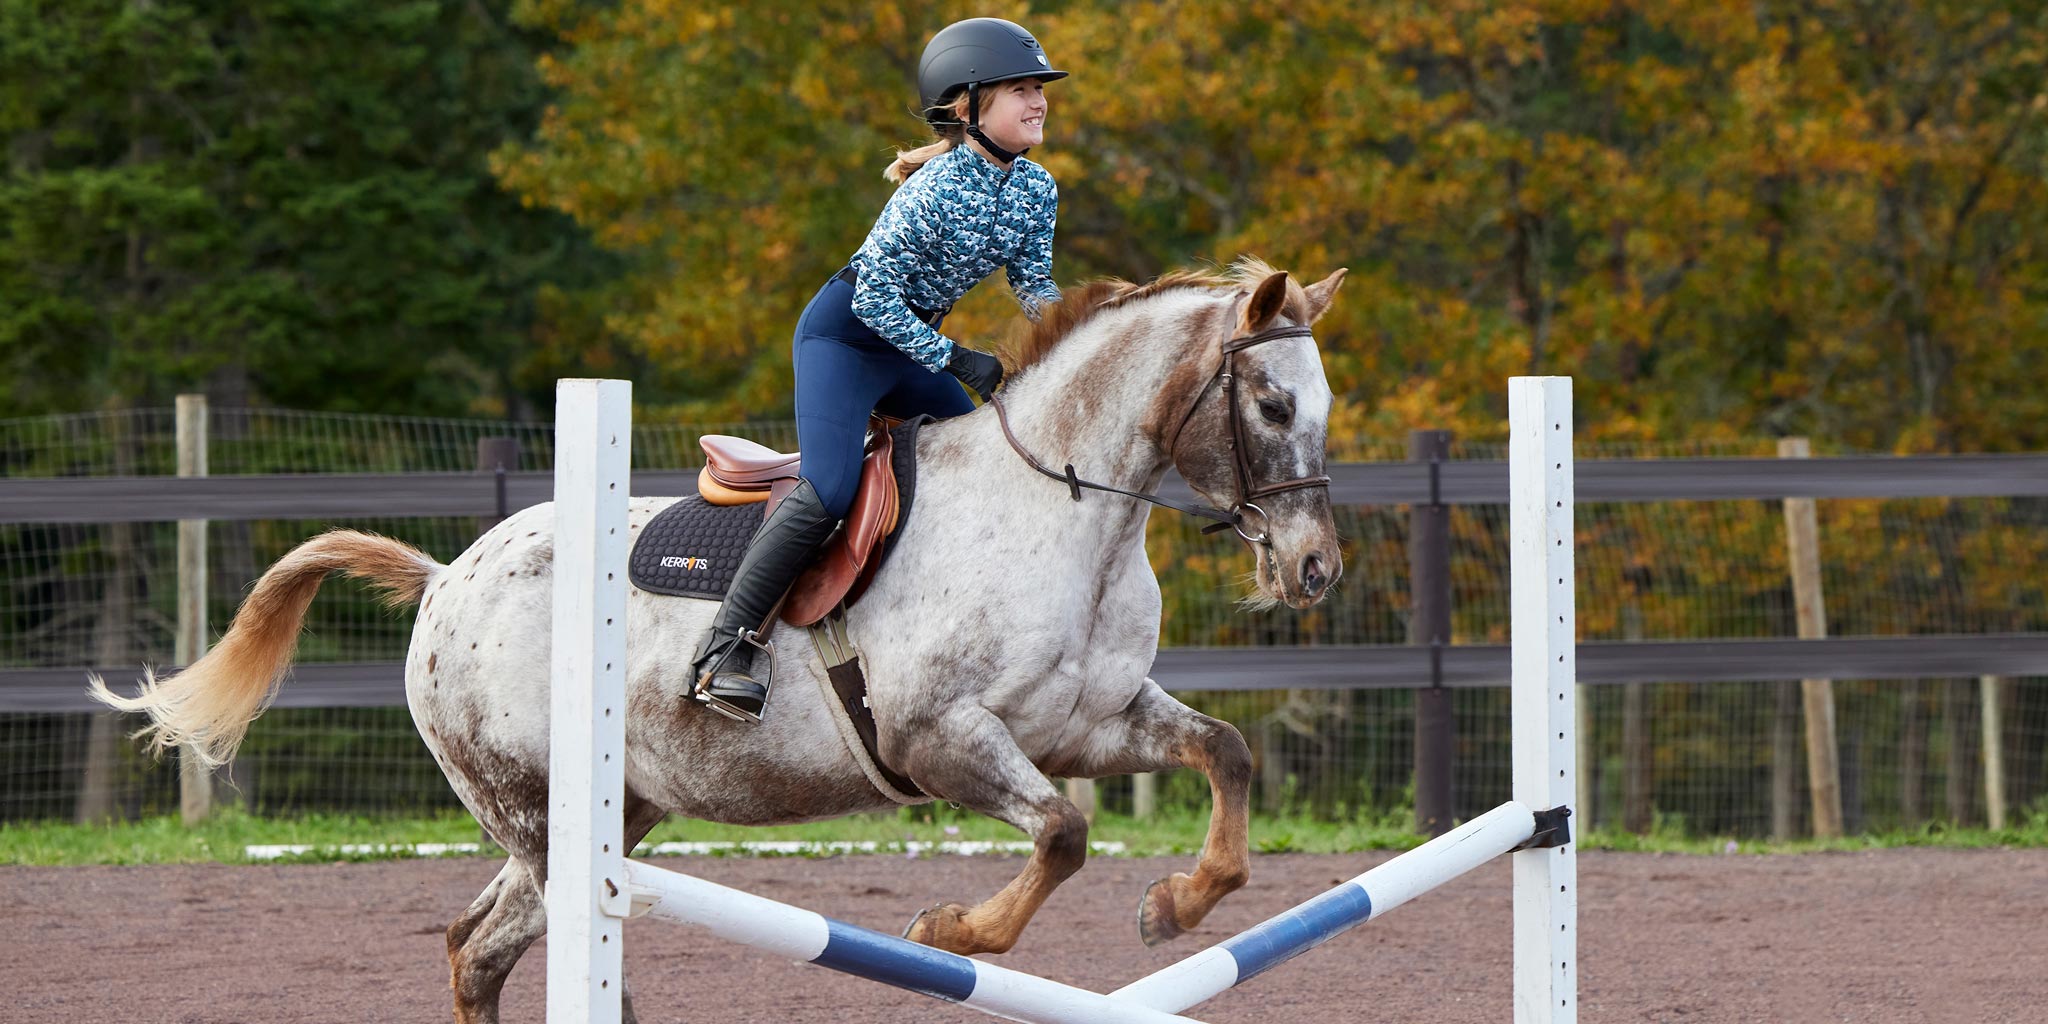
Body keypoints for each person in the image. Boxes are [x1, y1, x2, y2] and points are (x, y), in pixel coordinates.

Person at [689, 17, 1068, 722]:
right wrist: (955, 359)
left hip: (909, 347)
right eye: (1023, 89)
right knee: (828, 490)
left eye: (1040, 89)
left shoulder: (1036, 190)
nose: (1039, 101)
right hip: (845, 338)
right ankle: (725, 648)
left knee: (991, 471)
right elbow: (873, 300)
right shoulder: (928, 191)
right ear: (969, 104)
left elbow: (1035, 286)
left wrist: (1083, 336)